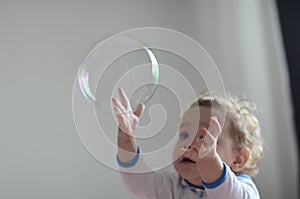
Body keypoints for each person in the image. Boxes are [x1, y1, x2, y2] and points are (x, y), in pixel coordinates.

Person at [112, 87, 264, 199]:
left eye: (204, 136)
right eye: (184, 134)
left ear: (238, 159)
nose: (190, 143)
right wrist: (127, 141)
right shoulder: (174, 185)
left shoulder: (244, 190)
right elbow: (140, 183)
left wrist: (208, 159)